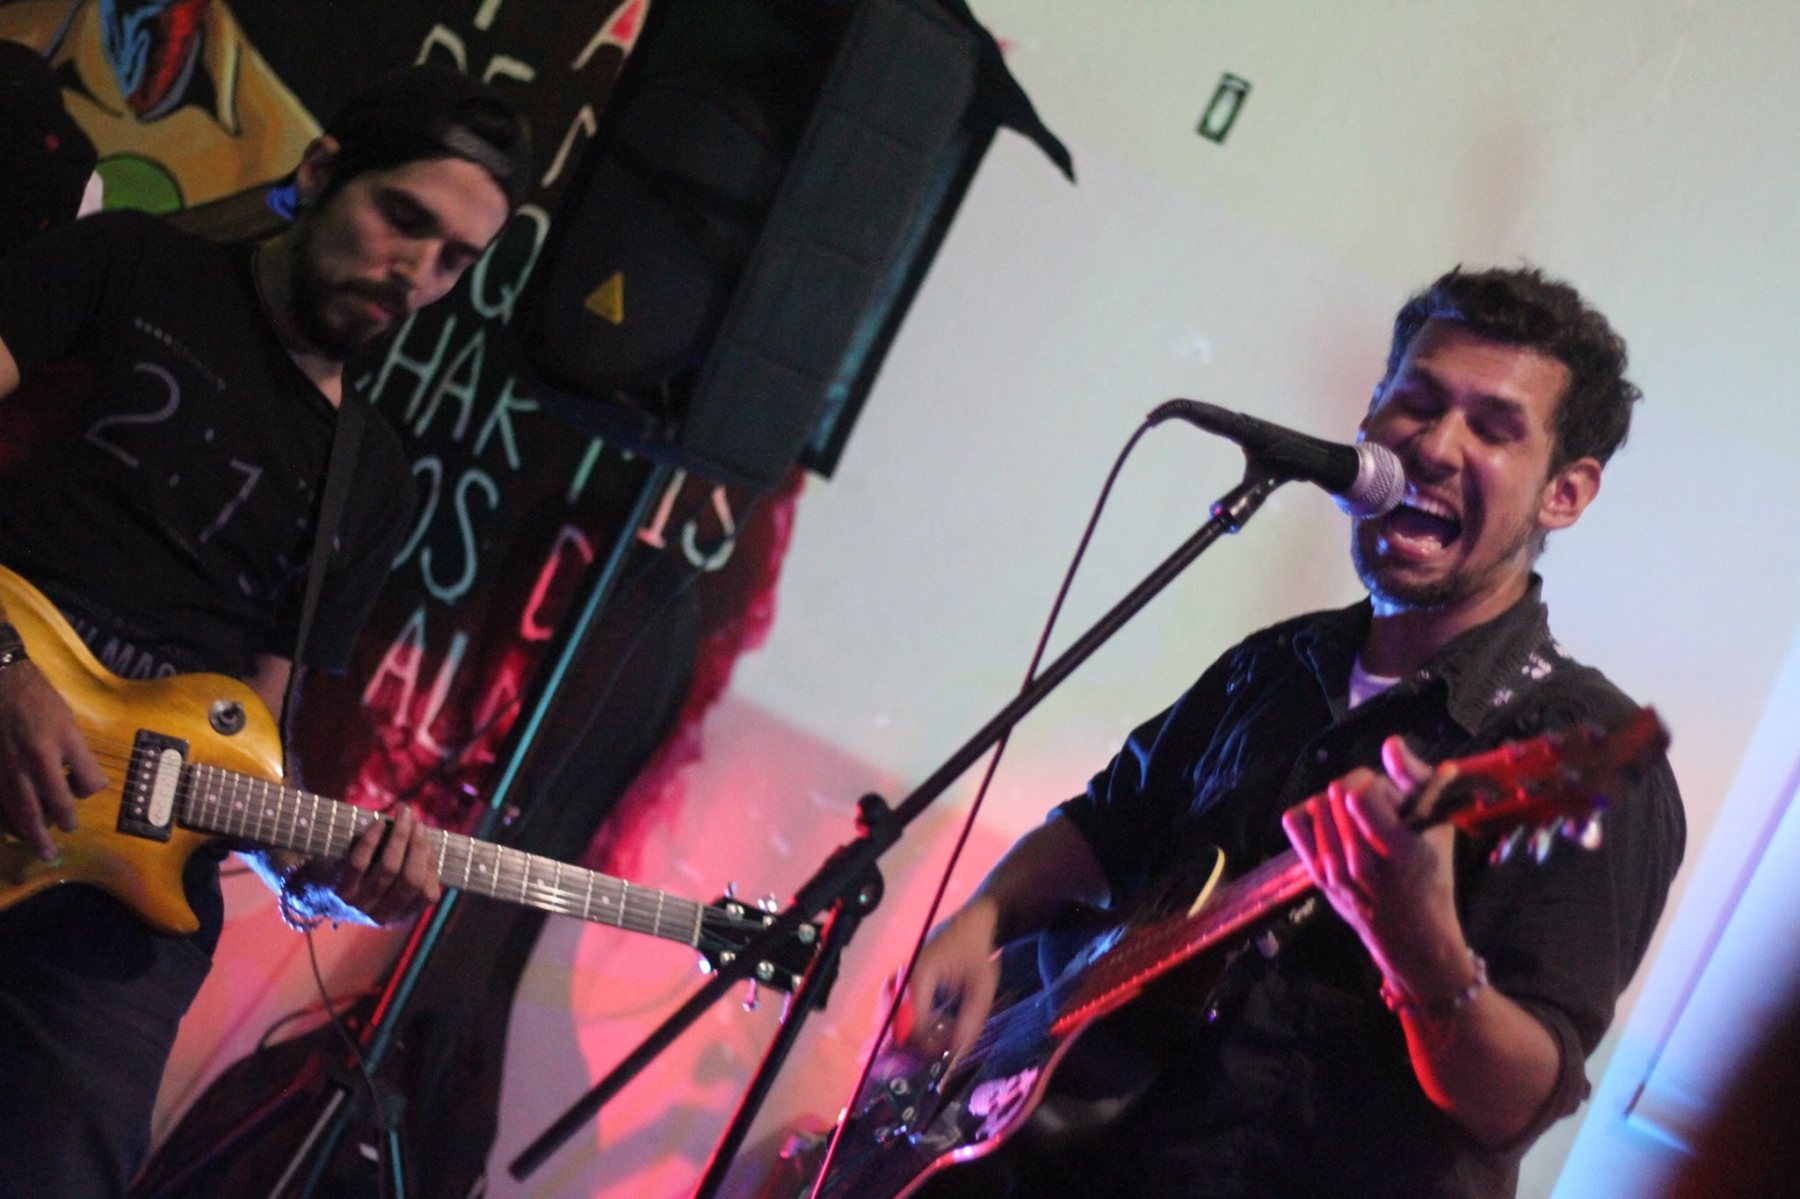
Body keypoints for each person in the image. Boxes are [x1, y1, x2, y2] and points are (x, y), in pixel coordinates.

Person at [895, 267, 1686, 1198]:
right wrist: (983, 917)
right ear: (1369, 419)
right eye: (1417, 403)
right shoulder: (1276, 662)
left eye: (1493, 427)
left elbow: (1513, 1104)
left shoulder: (1582, 744)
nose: (1435, 446)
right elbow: (1108, 825)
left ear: (1565, 493)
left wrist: (1420, 941)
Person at [0, 64, 530, 1196]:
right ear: (324, 170)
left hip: (130, 873)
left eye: (454, 260)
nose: (416, 274)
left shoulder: (370, 476)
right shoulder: (129, 265)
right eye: (404, 219)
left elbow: (266, 735)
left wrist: (334, 882)